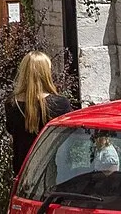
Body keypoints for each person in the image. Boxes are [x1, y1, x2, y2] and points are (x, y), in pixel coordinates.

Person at [5, 50, 75, 178]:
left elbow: (12, 133)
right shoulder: (60, 103)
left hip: (22, 172)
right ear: (46, 73)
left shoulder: (12, 103)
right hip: (52, 170)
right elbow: (69, 138)